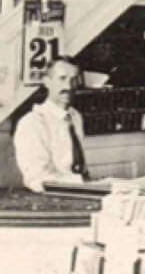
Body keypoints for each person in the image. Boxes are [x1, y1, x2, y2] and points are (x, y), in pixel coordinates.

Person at [13, 57, 89, 192]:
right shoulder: (32, 123)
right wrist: (83, 184)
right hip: (49, 197)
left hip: (79, 191)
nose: (68, 86)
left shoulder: (75, 117)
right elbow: (38, 179)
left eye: (74, 79)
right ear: (47, 81)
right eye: (62, 78)